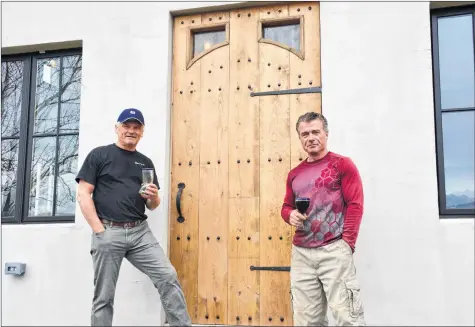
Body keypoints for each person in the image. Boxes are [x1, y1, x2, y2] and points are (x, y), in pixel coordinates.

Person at [76, 108, 191, 326]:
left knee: (167, 276)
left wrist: (154, 196)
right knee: (104, 296)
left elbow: (152, 205)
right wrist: (99, 230)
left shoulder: (145, 162)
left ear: (142, 132)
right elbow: (84, 194)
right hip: (109, 231)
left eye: (136, 127)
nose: (131, 131)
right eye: (126, 126)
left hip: (140, 233)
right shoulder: (100, 155)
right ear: (117, 128)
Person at [281, 112, 366, 326]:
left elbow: (355, 205)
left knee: (347, 317)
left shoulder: (342, 165)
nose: (311, 137)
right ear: (300, 138)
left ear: (326, 134)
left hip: (334, 250)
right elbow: (286, 207)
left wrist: (347, 244)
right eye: (305, 134)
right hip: (302, 254)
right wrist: (290, 215)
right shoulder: (294, 174)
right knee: (306, 321)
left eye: (315, 132)